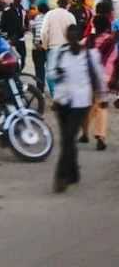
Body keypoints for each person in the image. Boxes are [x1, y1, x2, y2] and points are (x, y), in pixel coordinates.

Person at [50, 25, 105, 193]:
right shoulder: (59, 53)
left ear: (79, 36)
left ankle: (61, 177)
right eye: (70, 35)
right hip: (62, 101)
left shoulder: (90, 55)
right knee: (67, 139)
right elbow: (51, 73)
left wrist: (103, 98)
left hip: (81, 103)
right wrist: (57, 73)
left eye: (76, 36)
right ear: (67, 36)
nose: (73, 38)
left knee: (68, 138)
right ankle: (73, 173)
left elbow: (99, 77)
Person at [79, 15, 117, 151]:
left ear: (94, 25)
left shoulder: (88, 39)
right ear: (107, 26)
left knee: (88, 106)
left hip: (87, 78)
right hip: (103, 78)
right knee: (101, 107)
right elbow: (114, 60)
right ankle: (100, 137)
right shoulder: (111, 40)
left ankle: (84, 133)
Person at [42, 0, 77, 95]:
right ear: (67, 5)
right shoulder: (70, 16)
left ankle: (55, 95)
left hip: (52, 48)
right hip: (67, 48)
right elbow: (74, 32)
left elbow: (44, 32)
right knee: (66, 73)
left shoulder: (49, 14)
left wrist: (45, 45)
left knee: (51, 74)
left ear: (57, 3)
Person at [0, 0, 28, 67]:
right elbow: (2, 27)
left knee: (22, 60)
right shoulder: (7, 10)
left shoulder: (22, 9)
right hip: (11, 39)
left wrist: (26, 27)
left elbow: (25, 21)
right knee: (12, 60)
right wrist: (8, 38)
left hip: (21, 38)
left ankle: (18, 74)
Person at [31, 2, 49, 93]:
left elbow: (33, 31)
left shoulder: (37, 18)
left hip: (37, 47)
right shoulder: (49, 18)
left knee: (39, 69)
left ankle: (40, 89)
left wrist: (35, 42)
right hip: (47, 46)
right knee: (48, 68)